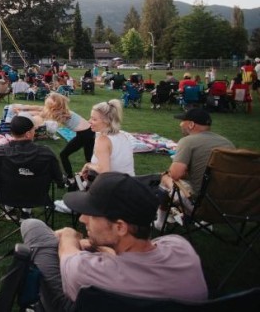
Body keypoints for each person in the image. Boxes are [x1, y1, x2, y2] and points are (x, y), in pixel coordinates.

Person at [20, 172, 207, 311]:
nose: (83, 219)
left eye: (92, 214)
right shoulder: (181, 247)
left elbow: (66, 247)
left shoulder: (85, 271)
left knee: (34, 226)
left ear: (120, 227)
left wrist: (71, 235)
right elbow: (138, 256)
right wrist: (99, 245)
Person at [151, 108, 235, 230]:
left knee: (165, 177)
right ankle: (205, 223)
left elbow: (175, 175)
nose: (180, 124)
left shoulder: (188, 141)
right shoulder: (227, 143)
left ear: (191, 124)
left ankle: (160, 222)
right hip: (229, 205)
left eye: (182, 121)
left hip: (200, 204)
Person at [0, 115, 65, 218]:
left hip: (6, 197)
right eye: (33, 130)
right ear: (28, 134)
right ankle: (26, 213)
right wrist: (62, 183)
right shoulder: (46, 153)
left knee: (14, 183)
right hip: (37, 197)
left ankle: (10, 210)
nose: (35, 133)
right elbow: (59, 178)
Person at [12, 93, 95, 185]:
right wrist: (24, 108)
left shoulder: (57, 113)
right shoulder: (61, 109)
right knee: (89, 158)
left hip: (84, 134)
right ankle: (92, 178)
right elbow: (39, 108)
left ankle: (70, 178)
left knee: (64, 155)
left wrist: (21, 113)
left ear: (54, 105)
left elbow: (40, 113)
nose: (46, 106)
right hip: (90, 131)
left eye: (48, 104)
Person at [80, 100, 134, 180]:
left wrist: (88, 165)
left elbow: (104, 171)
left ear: (107, 121)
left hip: (114, 187)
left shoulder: (103, 140)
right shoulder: (123, 136)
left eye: (94, 119)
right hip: (131, 184)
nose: (89, 121)